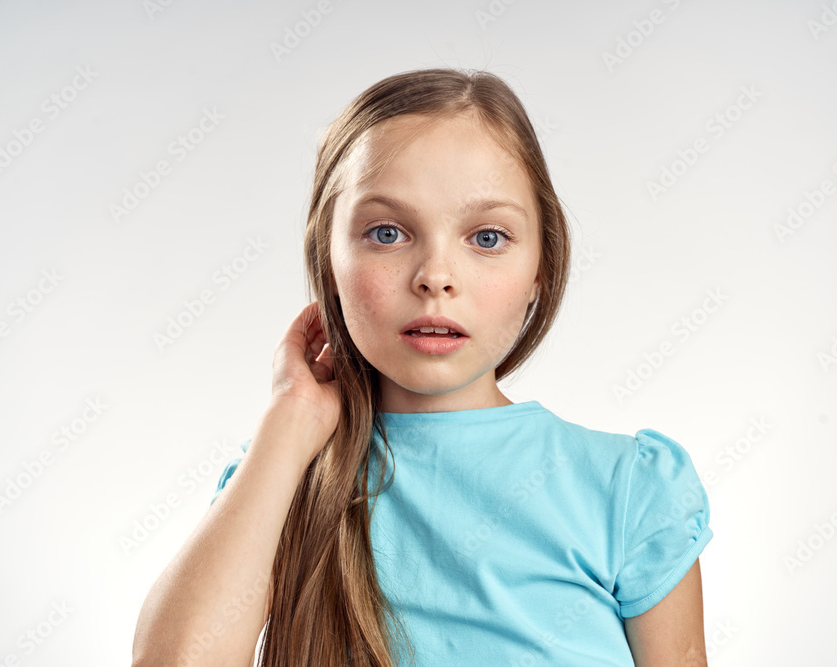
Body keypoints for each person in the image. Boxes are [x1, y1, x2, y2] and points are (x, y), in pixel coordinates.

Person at [131, 68, 713, 667]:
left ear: (542, 264)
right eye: (387, 232)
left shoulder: (629, 489)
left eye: (487, 237)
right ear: (328, 262)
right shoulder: (284, 480)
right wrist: (291, 418)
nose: (435, 276)